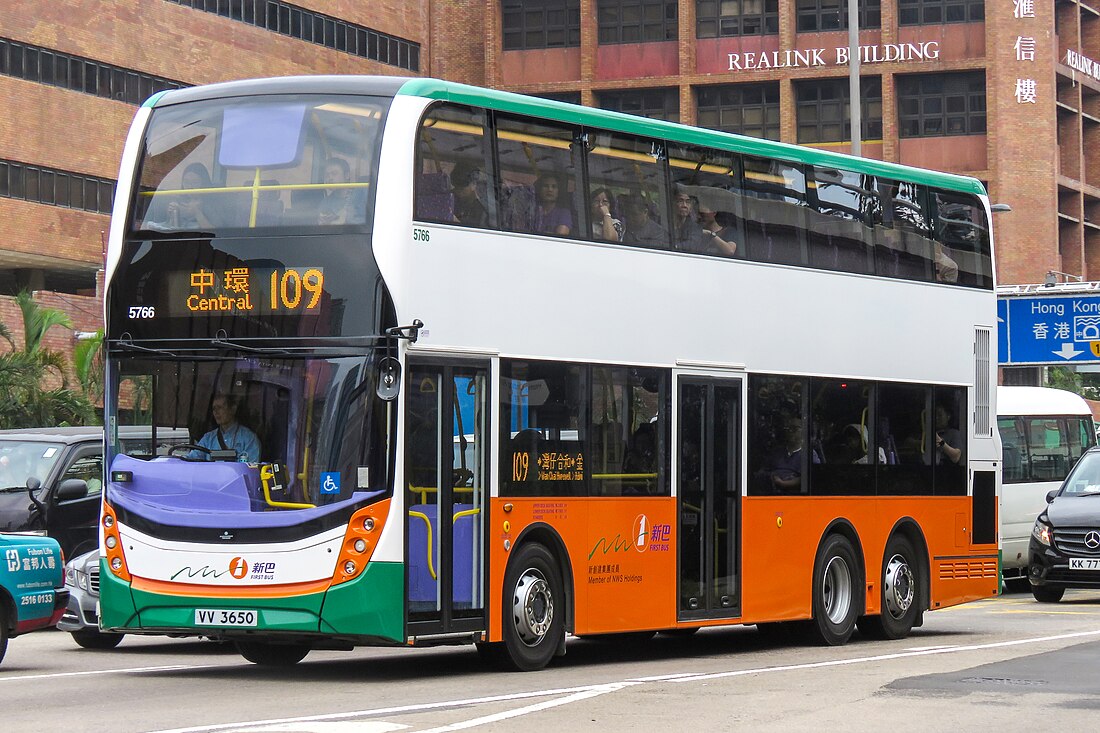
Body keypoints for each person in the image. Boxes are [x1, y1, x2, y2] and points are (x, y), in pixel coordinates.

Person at [191, 394, 261, 463]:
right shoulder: (208, 438)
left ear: (233, 409)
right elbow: (191, 459)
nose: (216, 412)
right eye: (214, 408)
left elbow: (252, 469)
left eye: (220, 407)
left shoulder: (249, 439)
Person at [165, 163, 219, 229]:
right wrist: (173, 214)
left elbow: (216, 232)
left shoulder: (213, 203)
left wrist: (197, 213)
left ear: (204, 183)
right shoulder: (179, 200)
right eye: (186, 182)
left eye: (195, 182)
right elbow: (173, 229)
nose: (190, 187)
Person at [318, 157, 356, 225]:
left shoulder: (360, 195)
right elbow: (322, 226)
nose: (330, 178)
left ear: (347, 175)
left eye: (334, 173)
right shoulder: (325, 202)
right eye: (327, 175)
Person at [450, 161, 489, 227]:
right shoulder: (450, 198)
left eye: (462, 189)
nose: (458, 192)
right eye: (456, 188)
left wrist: (457, 223)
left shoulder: (480, 212)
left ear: (474, 185)